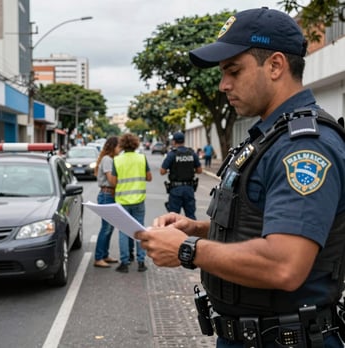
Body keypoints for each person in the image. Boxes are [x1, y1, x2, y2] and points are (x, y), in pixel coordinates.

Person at [135, 7, 345, 347]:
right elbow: (265, 220)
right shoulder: (270, 138)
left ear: (276, 65)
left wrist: (188, 249)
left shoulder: (304, 147)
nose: (223, 85)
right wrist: (198, 229)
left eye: (233, 71)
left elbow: (285, 265)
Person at [109, 133, 152, 273]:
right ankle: (141, 262)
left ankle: (125, 263)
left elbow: (114, 182)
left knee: (123, 231)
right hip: (139, 199)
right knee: (139, 230)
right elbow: (149, 177)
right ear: (136, 144)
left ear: (121, 144)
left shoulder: (117, 160)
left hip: (122, 200)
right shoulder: (141, 158)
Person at [161, 131, 202, 220]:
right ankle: (190, 233)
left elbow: (162, 171)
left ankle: (175, 234)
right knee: (190, 217)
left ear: (174, 142)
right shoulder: (192, 153)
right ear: (184, 141)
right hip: (189, 188)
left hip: (176, 189)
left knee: (173, 218)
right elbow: (199, 170)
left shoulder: (172, 154)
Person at [93, 136, 121, 268]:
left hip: (109, 195)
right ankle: (98, 258)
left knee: (109, 228)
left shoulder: (110, 159)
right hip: (106, 195)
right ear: (113, 147)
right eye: (119, 146)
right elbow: (112, 180)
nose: (120, 149)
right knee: (106, 228)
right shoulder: (108, 160)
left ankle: (105, 255)